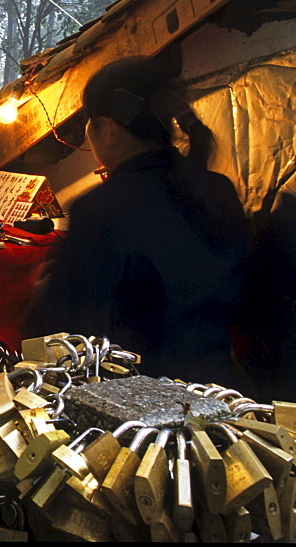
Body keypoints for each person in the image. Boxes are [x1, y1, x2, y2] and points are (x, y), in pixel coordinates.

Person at [23, 56, 254, 390]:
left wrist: (42, 293)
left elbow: (61, 330)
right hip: (224, 391)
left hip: (139, 404)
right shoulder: (218, 189)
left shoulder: (101, 207)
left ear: (109, 130)